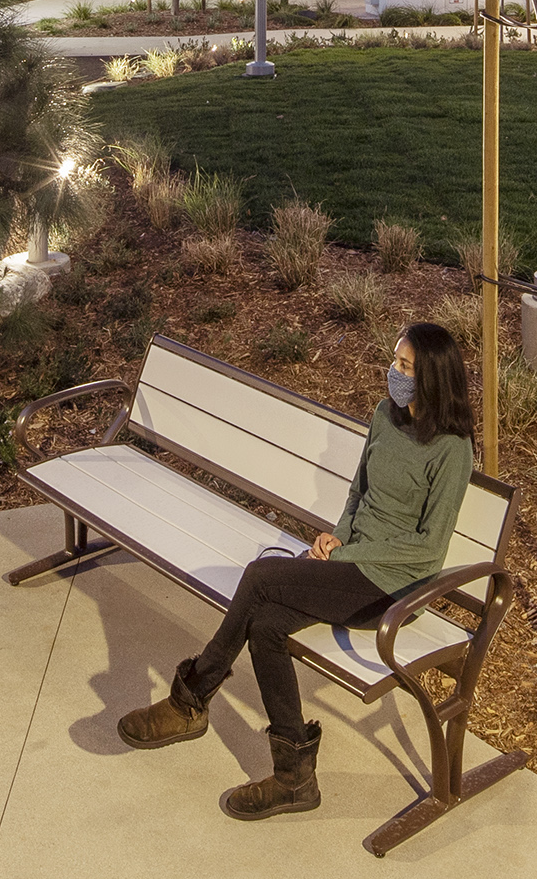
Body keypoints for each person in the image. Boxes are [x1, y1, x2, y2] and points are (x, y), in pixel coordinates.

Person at [116, 321, 477, 820]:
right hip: (350, 561)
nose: (392, 372)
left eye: (404, 366)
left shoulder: (452, 449)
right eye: (395, 361)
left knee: (263, 576)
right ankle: (294, 780)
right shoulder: (385, 416)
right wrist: (337, 536)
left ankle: (192, 696)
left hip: (392, 588)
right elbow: (360, 492)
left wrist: (348, 556)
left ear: (432, 377)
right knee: (265, 624)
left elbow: (427, 550)